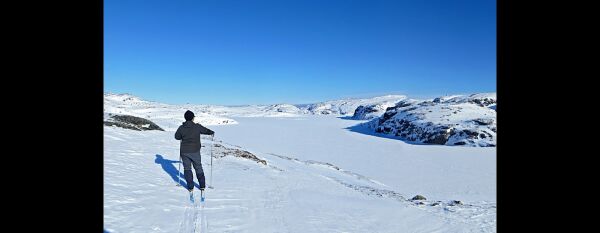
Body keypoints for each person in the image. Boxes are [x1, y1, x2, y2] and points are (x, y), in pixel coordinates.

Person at [175, 110, 214, 192]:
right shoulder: (197, 127)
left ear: (185, 118)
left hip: (184, 152)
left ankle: (190, 187)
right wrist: (211, 132)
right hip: (195, 151)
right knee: (198, 167)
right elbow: (206, 131)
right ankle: (202, 186)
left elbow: (177, 137)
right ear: (192, 118)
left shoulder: (181, 128)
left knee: (187, 169)